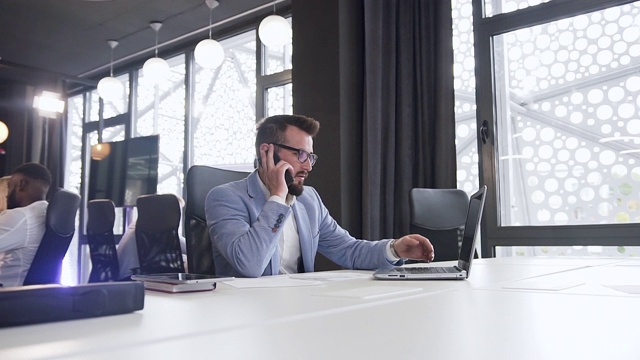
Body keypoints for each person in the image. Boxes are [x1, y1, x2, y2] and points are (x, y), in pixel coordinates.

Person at [206, 114, 435, 278]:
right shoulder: (225, 198)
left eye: (311, 157)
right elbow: (250, 265)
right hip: (248, 317)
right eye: (301, 155)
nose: (308, 166)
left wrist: (394, 249)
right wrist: (277, 197)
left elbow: (349, 250)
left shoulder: (309, 199)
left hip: (299, 308)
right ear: (267, 151)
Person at [0, 163, 52, 287]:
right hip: (27, 294)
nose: (6, 195)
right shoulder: (46, 212)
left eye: (9, 186)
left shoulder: (21, 216)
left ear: (21, 184)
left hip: (8, 294)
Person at [117, 194, 187, 279]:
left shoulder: (140, 226)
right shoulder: (156, 229)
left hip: (127, 277)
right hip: (133, 279)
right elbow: (190, 249)